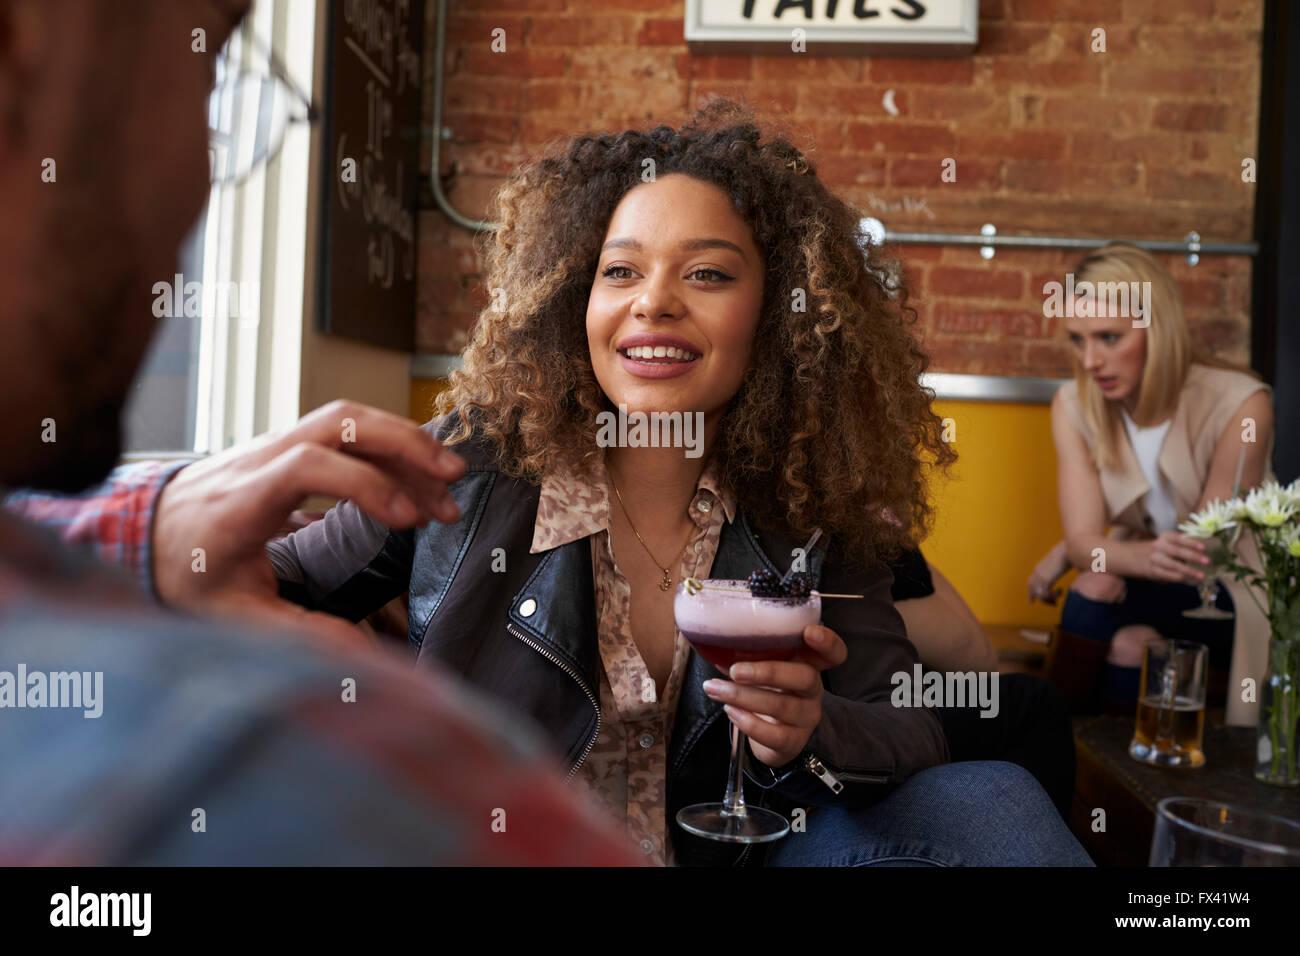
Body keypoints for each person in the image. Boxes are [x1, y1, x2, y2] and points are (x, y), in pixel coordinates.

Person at [258, 103, 1092, 866]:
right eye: (620, 272)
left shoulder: (812, 506)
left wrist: (814, 727)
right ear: (572, 299)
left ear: (775, 315)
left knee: (996, 799)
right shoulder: (470, 462)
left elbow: (907, 723)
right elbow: (274, 579)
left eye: (708, 275)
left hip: (738, 854)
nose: (653, 303)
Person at [0, 0, 636, 865]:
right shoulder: (315, 776)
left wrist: (143, 535)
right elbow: (294, 576)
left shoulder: (808, 506)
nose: (205, 168)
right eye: (211, 68)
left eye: (709, 272)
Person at [1034, 244, 1275, 722]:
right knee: (1130, 644)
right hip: (1146, 576)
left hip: (1223, 589)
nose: (1090, 361)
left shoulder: (1241, 402)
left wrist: (1079, 552)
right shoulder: (1074, 405)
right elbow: (1085, 542)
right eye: (1079, 340)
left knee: (1097, 585)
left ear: (1157, 328)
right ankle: (1082, 770)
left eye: (1109, 337)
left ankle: (1039, 748)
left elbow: (1203, 549)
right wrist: (1083, 550)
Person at [891, 548, 1076, 821]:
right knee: (1034, 702)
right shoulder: (866, 550)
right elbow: (977, 659)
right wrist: (900, 540)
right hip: (862, 729)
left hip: (849, 714)